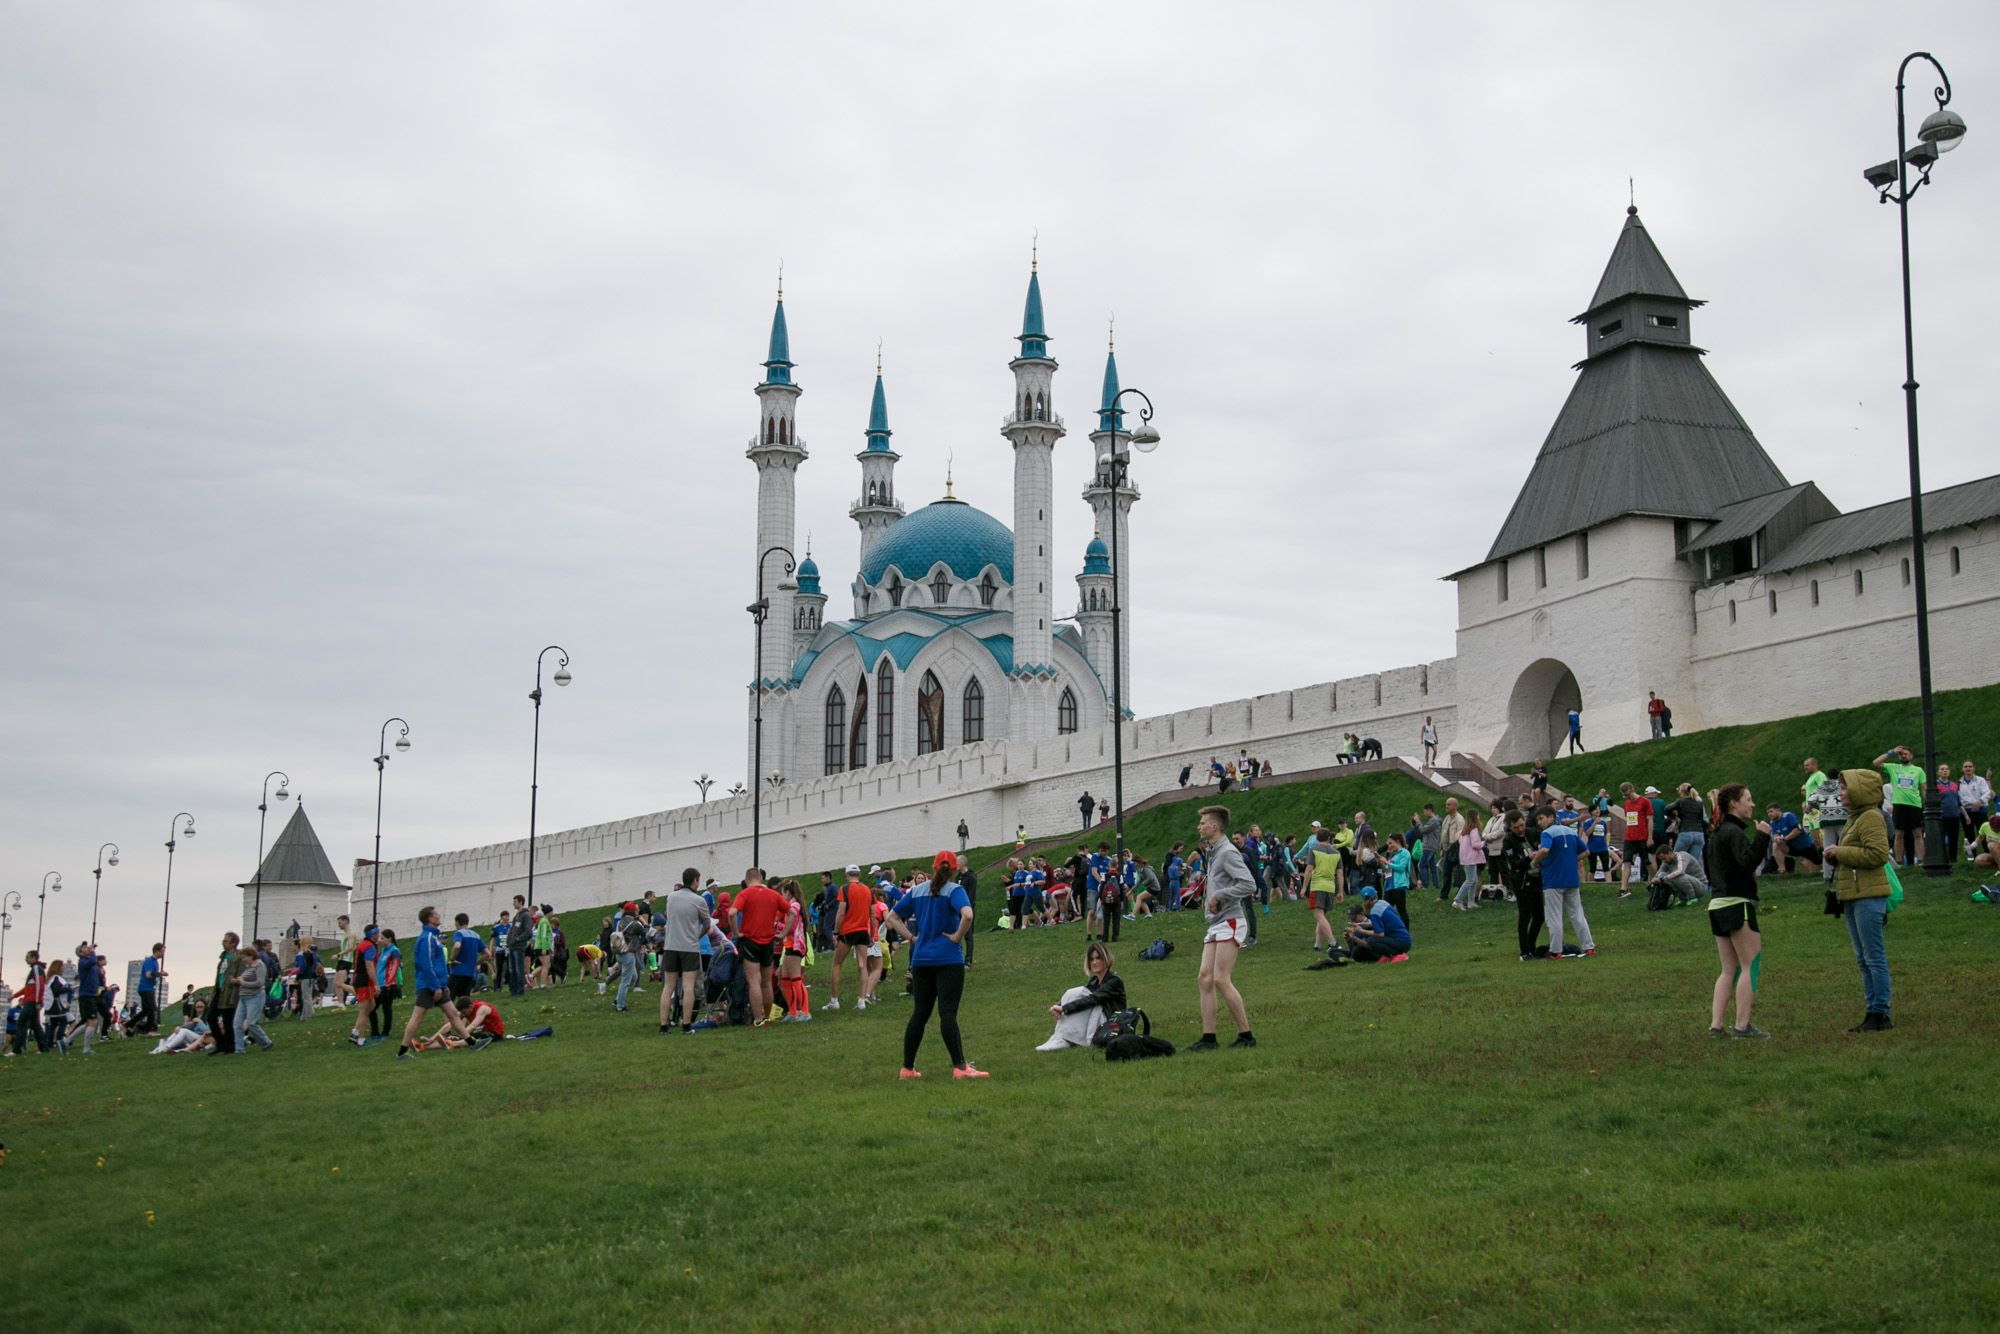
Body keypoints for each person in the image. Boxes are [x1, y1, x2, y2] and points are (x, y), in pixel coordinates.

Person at [885, 851, 982, 1079]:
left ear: (933, 867)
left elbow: (891, 918)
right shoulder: (955, 890)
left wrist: (912, 937)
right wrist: (958, 937)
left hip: (921, 961)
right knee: (947, 1013)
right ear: (955, 869)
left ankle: (907, 1068)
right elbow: (967, 915)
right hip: (948, 959)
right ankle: (960, 1067)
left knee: (919, 1013)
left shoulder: (916, 891)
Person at [1825, 769, 1894, 1032]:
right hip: (1853, 896)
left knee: (1873, 957)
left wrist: (1841, 851)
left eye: (1844, 788)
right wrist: (1837, 855)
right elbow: (1857, 853)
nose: (1840, 793)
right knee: (1863, 959)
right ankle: (1872, 1010)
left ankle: (1881, 1013)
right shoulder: (1855, 817)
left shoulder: (1870, 817)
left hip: (1868, 896)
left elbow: (1877, 855)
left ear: (1859, 790)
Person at [1705, 783, 1772, 1038]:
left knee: (1728, 969)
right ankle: (1742, 1026)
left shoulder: (1716, 833)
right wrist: (1762, 837)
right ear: (1734, 803)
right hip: (1736, 903)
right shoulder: (1733, 832)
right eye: (1748, 799)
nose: (1752, 804)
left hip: (1717, 904)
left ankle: (1716, 1025)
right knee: (1751, 965)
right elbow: (1747, 864)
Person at [1191, 805, 1256, 1051]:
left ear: (1214, 826)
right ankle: (1209, 1039)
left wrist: (1220, 894)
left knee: (1220, 978)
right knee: (1204, 978)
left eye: (1203, 823)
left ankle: (1246, 1036)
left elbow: (1249, 884)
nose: (1199, 827)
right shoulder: (1214, 851)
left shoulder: (1227, 851)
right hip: (1217, 923)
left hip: (1231, 920)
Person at [399, 906, 483, 1059]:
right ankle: (402, 1052)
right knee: (417, 1016)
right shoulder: (427, 938)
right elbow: (427, 965)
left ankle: (472, 1043)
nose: (439, 916)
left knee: (452, 1014)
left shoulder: (433, 938)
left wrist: (443, 986)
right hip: (429, 984)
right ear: (430, 919)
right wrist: (436, 986)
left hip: (437, 984)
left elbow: (436, 964)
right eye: (436, 914)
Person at [1531, 807, 1593, 959]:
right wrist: (1571, 861)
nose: (1539, 823)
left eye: (1541, 819)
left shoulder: (1547, 833)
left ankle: (1556, 950)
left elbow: (1545, 850)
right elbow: (1586, 852)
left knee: (1554, 917)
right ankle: (1588, 947)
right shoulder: (1570, 832)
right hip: (1571, 879)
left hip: (1553, 880)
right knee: (1577, 914)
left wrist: (1535, 862)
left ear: (1551, 817)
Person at [731, 868, 789, 1028]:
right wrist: (783, 933)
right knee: (766, 983)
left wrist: (736, 933)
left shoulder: (745, 894)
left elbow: (732, 913)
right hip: (768, 941)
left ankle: (758, 1020)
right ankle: (767, 1016)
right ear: (761, 878)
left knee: (754, 981)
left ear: (746, 880)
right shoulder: (773, 894)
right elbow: (791, 912)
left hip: (750, 941)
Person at [660, 868, 714, 1034]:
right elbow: (707, 924)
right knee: (688, 986)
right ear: (695, 881)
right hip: (689, 947)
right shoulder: (698, 901)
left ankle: (663, 1026)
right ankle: (686, 1025)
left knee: (668, 987)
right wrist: (697, 936)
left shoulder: (671, 897)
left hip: (670, 946)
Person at [823, 865, 875, 1011]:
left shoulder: (844, 889)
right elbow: (872, 914)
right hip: (863, 931)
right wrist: (871, 936)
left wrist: (835, 933)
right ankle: (862, 1000)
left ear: (847, 876)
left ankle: (834, 1000)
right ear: (859, 875)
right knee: (862, 966)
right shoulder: (867, 890)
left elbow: (840, 912)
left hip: (848, 931)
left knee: (837, 963)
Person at [1498, 812, 1542, 959]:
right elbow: (1514, 863)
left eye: (1522, 825)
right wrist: (1528, 858)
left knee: (1539, 916)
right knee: (1525, 917)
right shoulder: (1508, 841)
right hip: (1522, 883)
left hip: (1537, 880)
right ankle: (1524, 952)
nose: (1520, 829)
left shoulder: (1532, 832)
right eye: (1516, 827)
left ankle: (1531, 946)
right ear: (1509, 827)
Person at [1873, 746, 1926, 866]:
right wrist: (1891, 752)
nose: (1904, 756)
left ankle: (1921, 860)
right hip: (1899, 804)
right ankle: (1899, 861)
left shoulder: (1918, 770)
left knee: (1917, 833)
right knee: (1899, 833)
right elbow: (1876, 762)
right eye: (1901, 754)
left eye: (1906, 754)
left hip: (1914, 804)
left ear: (1911, 756)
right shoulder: (1894, 768)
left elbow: (1923, 787)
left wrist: (1926, 802)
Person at [1343, 887, 1410, 962]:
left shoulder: (1374, 911)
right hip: (1403, 939)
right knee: (1372, 940)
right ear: (1376, 895)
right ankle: (1388, 955)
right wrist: (1362, 924)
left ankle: (1398, 955)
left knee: (1372, 941)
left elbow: (1380, 934)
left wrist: (1361, 931)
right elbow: (1378, 922)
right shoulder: (1382, 903)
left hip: (1400, 941)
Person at [231, 946, 274, 1053]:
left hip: (255, 997)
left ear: (251, 956)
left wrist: (243, 983)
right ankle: (239, 1049)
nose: (243, 960)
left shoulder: (259, 965)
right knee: (237, 1024)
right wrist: (236, 981)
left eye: (245, 957)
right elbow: (245, 980)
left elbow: (259, 983)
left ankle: (266, 1043)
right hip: (243, 998)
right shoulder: (248, 967)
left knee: (251, 1023)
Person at [210, 932, 244, 1054]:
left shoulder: (238, 957)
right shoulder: (223, 957)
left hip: (230, 992)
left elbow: (241, 974)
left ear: (233, 943)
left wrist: (235, 989)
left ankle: (229, 1046)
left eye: (225, 941)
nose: (222, 943)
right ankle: (221, 1043)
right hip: (219, 991)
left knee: (228, 1020)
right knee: (210, 1017)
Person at [69, 941, 105, 1055]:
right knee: (92, 1021)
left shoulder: (89, 962)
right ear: (80, 952)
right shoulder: (83, 962)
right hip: (87, 994)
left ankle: (66, 1041)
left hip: (91, 994)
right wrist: (93, 951)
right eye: (84, 947)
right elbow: (93, 960)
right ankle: (86, 1048)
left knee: (87, 1023)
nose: (87, 948)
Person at [1764, 805, 1822, 873]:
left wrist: (1785, 839)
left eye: (1771, 811)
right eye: (1768, 812)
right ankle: (1782, 870)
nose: (1769, 814)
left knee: (1819, 863)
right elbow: (1775, 835)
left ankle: (1828, 871)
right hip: (1792, 847)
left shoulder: (1788, 816)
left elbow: (1798, 830)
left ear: (1778, 811)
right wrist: (1777, 839)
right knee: (1775, 845)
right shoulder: (1773, 822)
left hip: (1805, 846)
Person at [347, 927, 379, 1048]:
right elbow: (369, 966)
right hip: (365, 980)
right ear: (372, 935)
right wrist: (376, 983)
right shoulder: (369, 947)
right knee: (364, 1011)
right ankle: (359, 1038)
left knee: (371, 1006)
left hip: (358, 978)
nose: (378, 935)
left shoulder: (362, 945)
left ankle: (355, 1031)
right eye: (377, 933)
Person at [1618, 782, 1651, 895]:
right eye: (1625, 796)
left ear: (1633, 790)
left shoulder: (1644, 802)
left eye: (1628, 794)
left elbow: (1649, 820)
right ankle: (1624, 888)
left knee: (1647, 861)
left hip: (1642, 836)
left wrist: (1650, 837)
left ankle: (1654, 882)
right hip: (1629, 837)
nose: (1627, 798)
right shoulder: (1626, 804)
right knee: (1626, 861)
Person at [448, 913, 485, 1008]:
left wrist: (452, 959)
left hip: (457, 972)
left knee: (448, 1002)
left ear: (457, 922)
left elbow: (457, 946)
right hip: (469, 973)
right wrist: (477, 963)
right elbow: (487, 953)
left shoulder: (459, 933)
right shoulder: (476, 935)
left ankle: (448, 1022)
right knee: (465, 1003)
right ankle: (462, 1023)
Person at [1959, 760, 1993, 860]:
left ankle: (1989, 855)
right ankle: (1970, 858)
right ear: (1962, 769)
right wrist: (1968, 805)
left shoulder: (1980, 780)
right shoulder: (1959, 782)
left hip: (1980, 810)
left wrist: (1979, 801)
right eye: (1965, 767)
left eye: (1970, 766)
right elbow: (1959, 798)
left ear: (1974, 768)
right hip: (1966, 812)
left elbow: (1987, 793)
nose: (1968, 769)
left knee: (1984, 833)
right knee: (1968, 835)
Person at [1453, 817, 1486, 911]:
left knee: (1474, 880)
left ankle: (1471, 902)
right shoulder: (1474, 830)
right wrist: (1483, 842)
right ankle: (1457, 900)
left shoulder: (1464, 832)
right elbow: (1475, 844)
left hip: (1465, 859)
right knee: (1470, 880)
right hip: (1470, 859)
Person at [506, 894, 533, 996]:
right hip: (512, 946)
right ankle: (513, 990)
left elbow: (527, 930)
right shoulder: (517, 915)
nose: (513, 903)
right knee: (512, 970)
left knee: (518, 969)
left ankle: (520, 991)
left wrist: (518, 939)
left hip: (519, 946)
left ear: (521, 902)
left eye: (515, 901)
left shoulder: (525, 915)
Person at [136, 943, 165, 1035]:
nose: (163, 954)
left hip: (148, 988)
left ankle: (127, 1025)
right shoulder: (150, 961)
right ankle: (149, 1031)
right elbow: (148, 974)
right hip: (145, 988)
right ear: (157, 951)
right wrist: (160, 974)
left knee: (145, 1011)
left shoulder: (155, 962)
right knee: (152, 1009)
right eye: (162, 951)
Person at [293, 940, 320, 1021]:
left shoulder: (305, 953)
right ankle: (304, 1015)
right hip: (311, 976)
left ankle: (306, 1016)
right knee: (306, 997)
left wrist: (298, 977)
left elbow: (303, 967)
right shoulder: (312, 953)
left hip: (306, 977)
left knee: (306, 997)